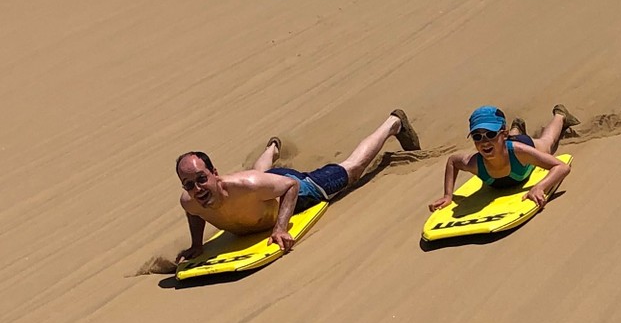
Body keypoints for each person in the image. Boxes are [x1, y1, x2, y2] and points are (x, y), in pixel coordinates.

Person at [175, 110, 421, 262]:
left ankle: (392, 123)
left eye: (201, 178)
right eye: (189, 185)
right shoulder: (190, 201)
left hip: (299, 191)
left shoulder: (245, 185)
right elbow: (192, 212)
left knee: (352, 170)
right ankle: (272, 148)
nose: (197, 189)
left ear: (214, 174)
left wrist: (281, 228)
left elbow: (290, 185)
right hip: (265, 186)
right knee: (261, 178)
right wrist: (197, 244)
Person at [427, 105, 579, 212]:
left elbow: (562, 167)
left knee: (548, 142)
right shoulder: (473, 163)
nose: (484, 141)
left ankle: (560, 115)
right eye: (477, 136)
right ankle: (515, 128)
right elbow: (453, 161)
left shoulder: (521, 152)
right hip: (505, 142)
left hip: (519, 145)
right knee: (501, 143)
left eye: (491, 134)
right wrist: (448, 195)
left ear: (502, 134)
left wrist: (539, 187)